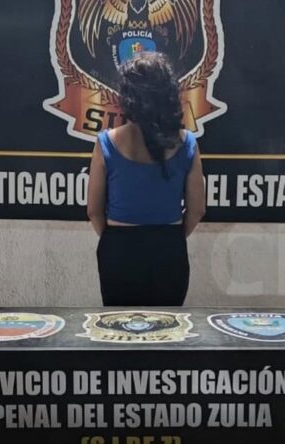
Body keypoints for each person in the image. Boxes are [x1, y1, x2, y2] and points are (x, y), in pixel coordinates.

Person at [87, 52, 206, 307]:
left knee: (117, 326)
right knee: (169, 327)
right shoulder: (187, 143)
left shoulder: (106, 142)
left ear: (127, 96)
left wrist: (116, 241)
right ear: (169, 92)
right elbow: (197, 210)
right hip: (168, 249)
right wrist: (169, 239)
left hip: (119, 251)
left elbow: (93, 211)